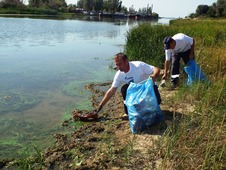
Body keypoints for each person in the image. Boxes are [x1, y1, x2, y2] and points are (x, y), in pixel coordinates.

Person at [97, 52, 161, 115]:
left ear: (126, 61)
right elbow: (111, 90)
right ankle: (128, 110)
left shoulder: (139, 65)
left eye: (120, 64)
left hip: (147, 89)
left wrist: (154, 75)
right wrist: (101, 105)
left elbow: (156, 69)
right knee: (124, 88)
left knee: (157, 101)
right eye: (117, 65)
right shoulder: (119, 74)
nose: (118, 67)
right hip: (136, 91)